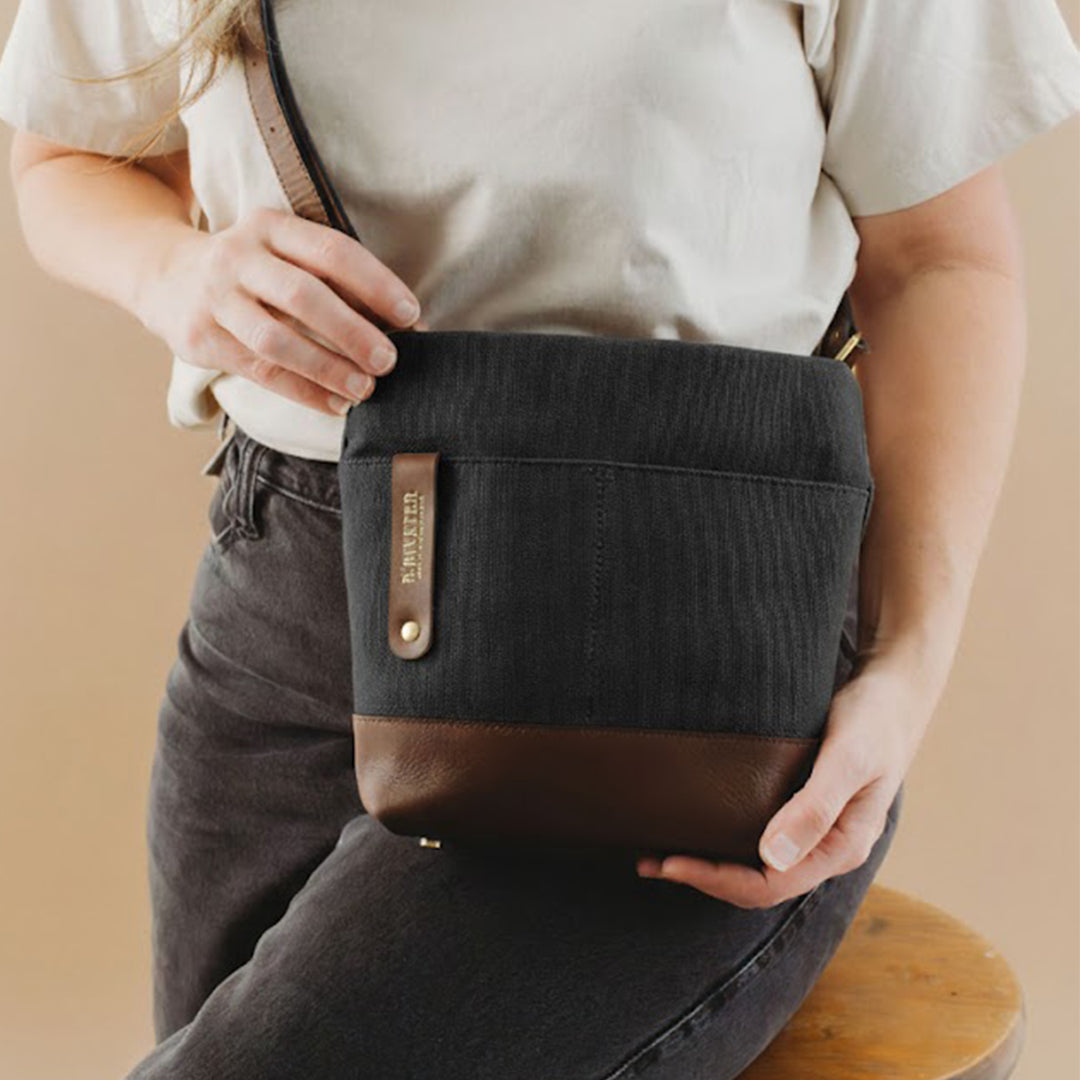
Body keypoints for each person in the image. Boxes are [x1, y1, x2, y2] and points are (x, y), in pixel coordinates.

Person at [2, 1, 1078, 1076]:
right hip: (282, 617)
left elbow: (940, 259)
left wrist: (905, 665)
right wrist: (176, 275)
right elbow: (60, 160)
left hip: (678, 642)